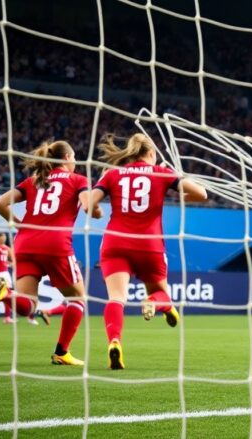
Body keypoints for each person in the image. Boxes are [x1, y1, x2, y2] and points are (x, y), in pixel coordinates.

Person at [88, 133, 207, 370]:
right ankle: (153, 302)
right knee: (160, 293)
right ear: (151, 153)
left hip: (115, 243)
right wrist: (174, 190)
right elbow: (202, 194)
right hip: (149, 245)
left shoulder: (112, 174)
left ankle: (114, 341)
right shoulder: (161, 173)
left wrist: (96, 210)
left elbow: (88, 203)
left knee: (116, 298)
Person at [0, 140, 103, 365]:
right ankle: (62, 352)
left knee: (28, 305)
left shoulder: (35, 180)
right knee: (78, 298)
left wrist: (20, 225)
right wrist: (96, 210)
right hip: (55, 244)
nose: (75, 162)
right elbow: (87, 205)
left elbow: (0, 204)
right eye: (74, 158)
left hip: (24, 243)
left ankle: (5, 294)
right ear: (67, 158)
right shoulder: (77, 179)